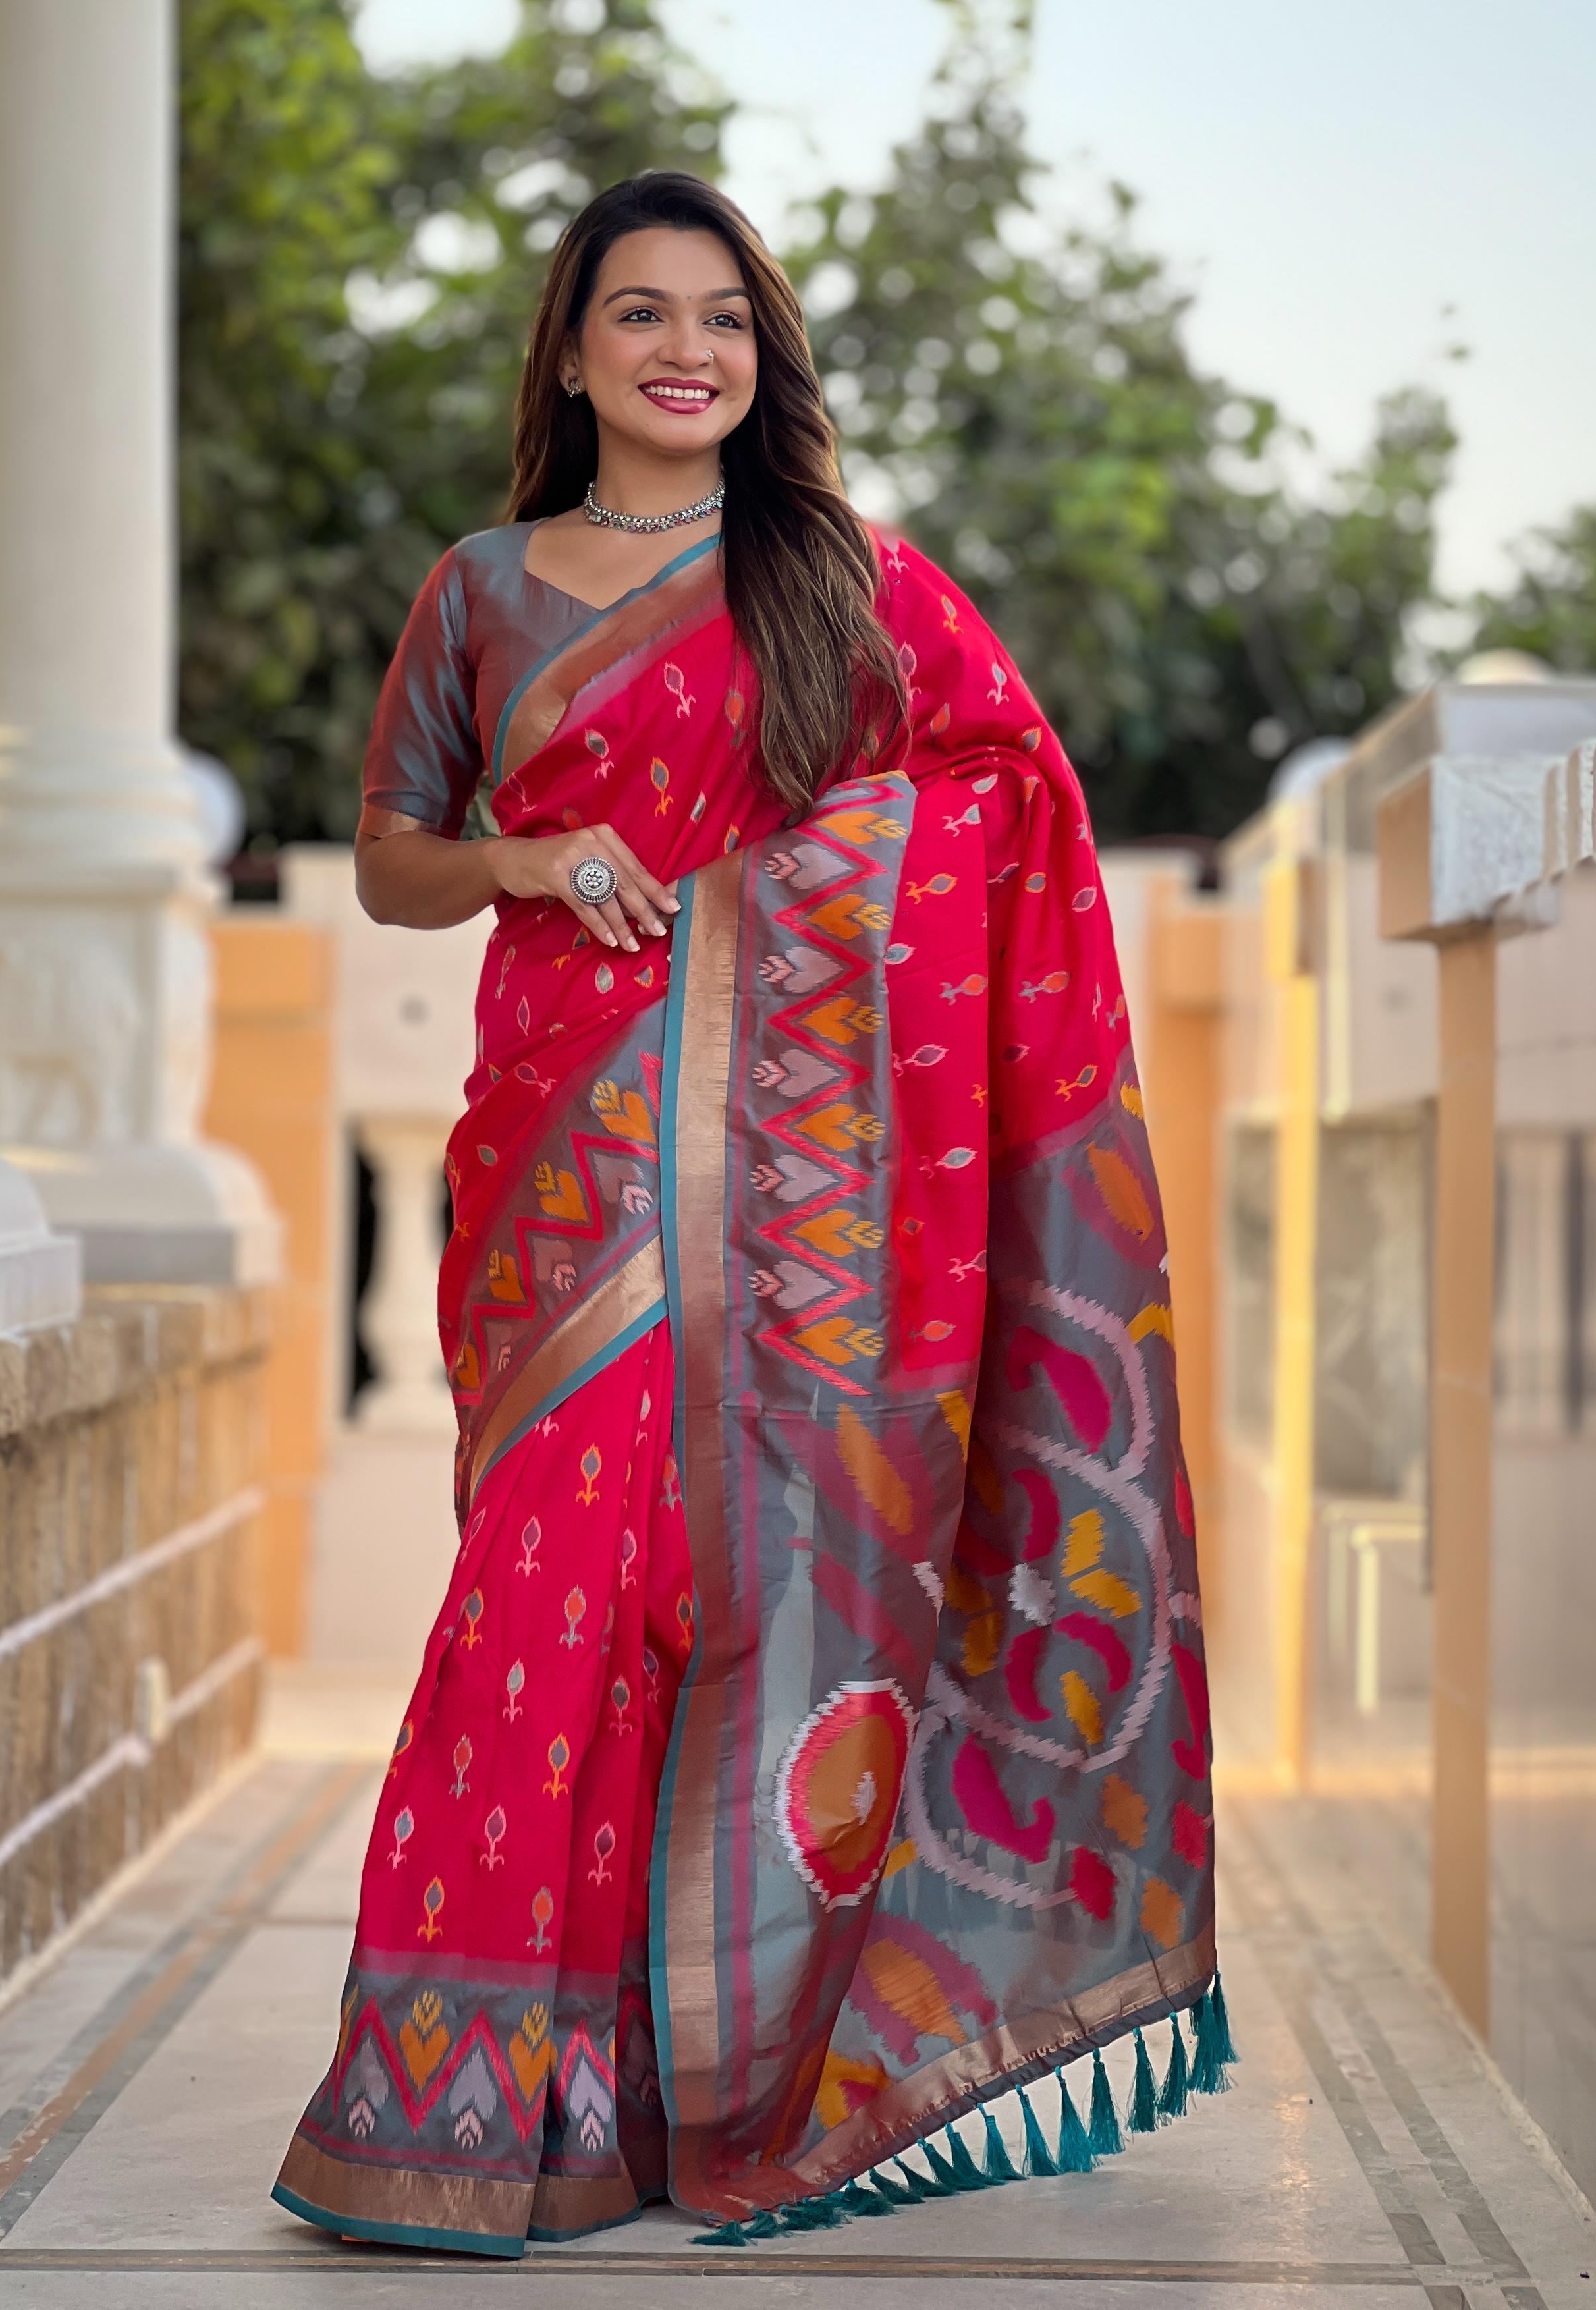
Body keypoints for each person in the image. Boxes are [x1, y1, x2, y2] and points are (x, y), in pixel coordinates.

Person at [273, 170, 1225, 2257]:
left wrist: (746, 910)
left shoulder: (846, 585)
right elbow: (389, 855)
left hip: (806, 1223)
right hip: (562, 1192)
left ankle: (718, 2079)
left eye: (722, 316)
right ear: (575, 347)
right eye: (640, 314)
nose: (683, 349)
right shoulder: (483, 591)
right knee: (539, 1604)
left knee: (747, 1609)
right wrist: (534, 863)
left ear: (762, 353)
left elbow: (1005, 796)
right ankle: (468, 2099)